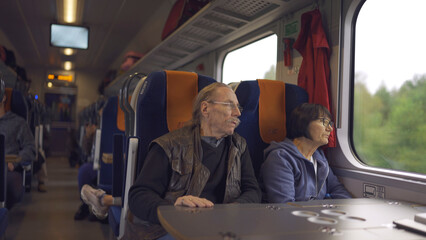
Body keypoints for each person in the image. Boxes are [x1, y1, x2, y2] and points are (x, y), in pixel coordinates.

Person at [81, 82, 261, 239]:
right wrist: (173, 208)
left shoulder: (239, 146)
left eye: (238, 107)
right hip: (166, 229)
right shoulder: (169, 145)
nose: (237, 113)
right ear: (205, 109)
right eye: (230, 105)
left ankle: (104, 200)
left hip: (220, 229)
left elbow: (253, 190)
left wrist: (234, 209)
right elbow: (138, 196)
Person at [260, 103, 351, 203]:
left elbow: (336, 188)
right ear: (303, 123)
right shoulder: (280, 159)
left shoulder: (319, 158)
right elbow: (285, 206)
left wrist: (349, 208)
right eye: (324, 122)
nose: (330, 128)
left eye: (330, 124)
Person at [0, 80, 36, 209]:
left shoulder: (18, 123)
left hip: (6, 170)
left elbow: (31, 149)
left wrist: (13, 163)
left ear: (4, 97)